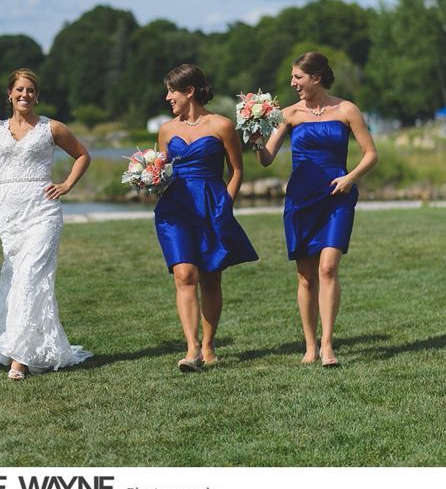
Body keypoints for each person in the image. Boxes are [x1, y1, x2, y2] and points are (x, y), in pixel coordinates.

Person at [0, 50, 92, 380]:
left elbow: (83, 155)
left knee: (30, 276)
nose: (25, 95)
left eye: (31, 90)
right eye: (20, 90)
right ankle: (29, 346)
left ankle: (20, 359)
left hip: (43, 211)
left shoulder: (51, 128)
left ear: (36, 96)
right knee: (17, 278)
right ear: (10, 94)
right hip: (10, 214)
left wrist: (66, 184)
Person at [255, 51, 377, 367]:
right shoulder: (288, 114)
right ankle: (309, 345)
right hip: (301, 199)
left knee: (328, 268)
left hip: (338, 196)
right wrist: (256, 139)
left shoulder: (347, 110)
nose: (293, 83)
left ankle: (327, 345)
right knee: (306, 275)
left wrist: (350, 178)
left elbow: (370, 154)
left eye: (298, 77)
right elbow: (267, 158)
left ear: (316, 78)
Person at [154, 64, 259, 372]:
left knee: (211, 277)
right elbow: (162, 170)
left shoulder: (222, 125)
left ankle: (209, 345)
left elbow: (237, 170)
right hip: (174, 209)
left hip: (212, 204)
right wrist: (149, 181)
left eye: (172, 91)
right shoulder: (166, 130)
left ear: (189, 91)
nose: (167, 97)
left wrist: (226, 203)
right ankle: (191, 348)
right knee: (184, 275)